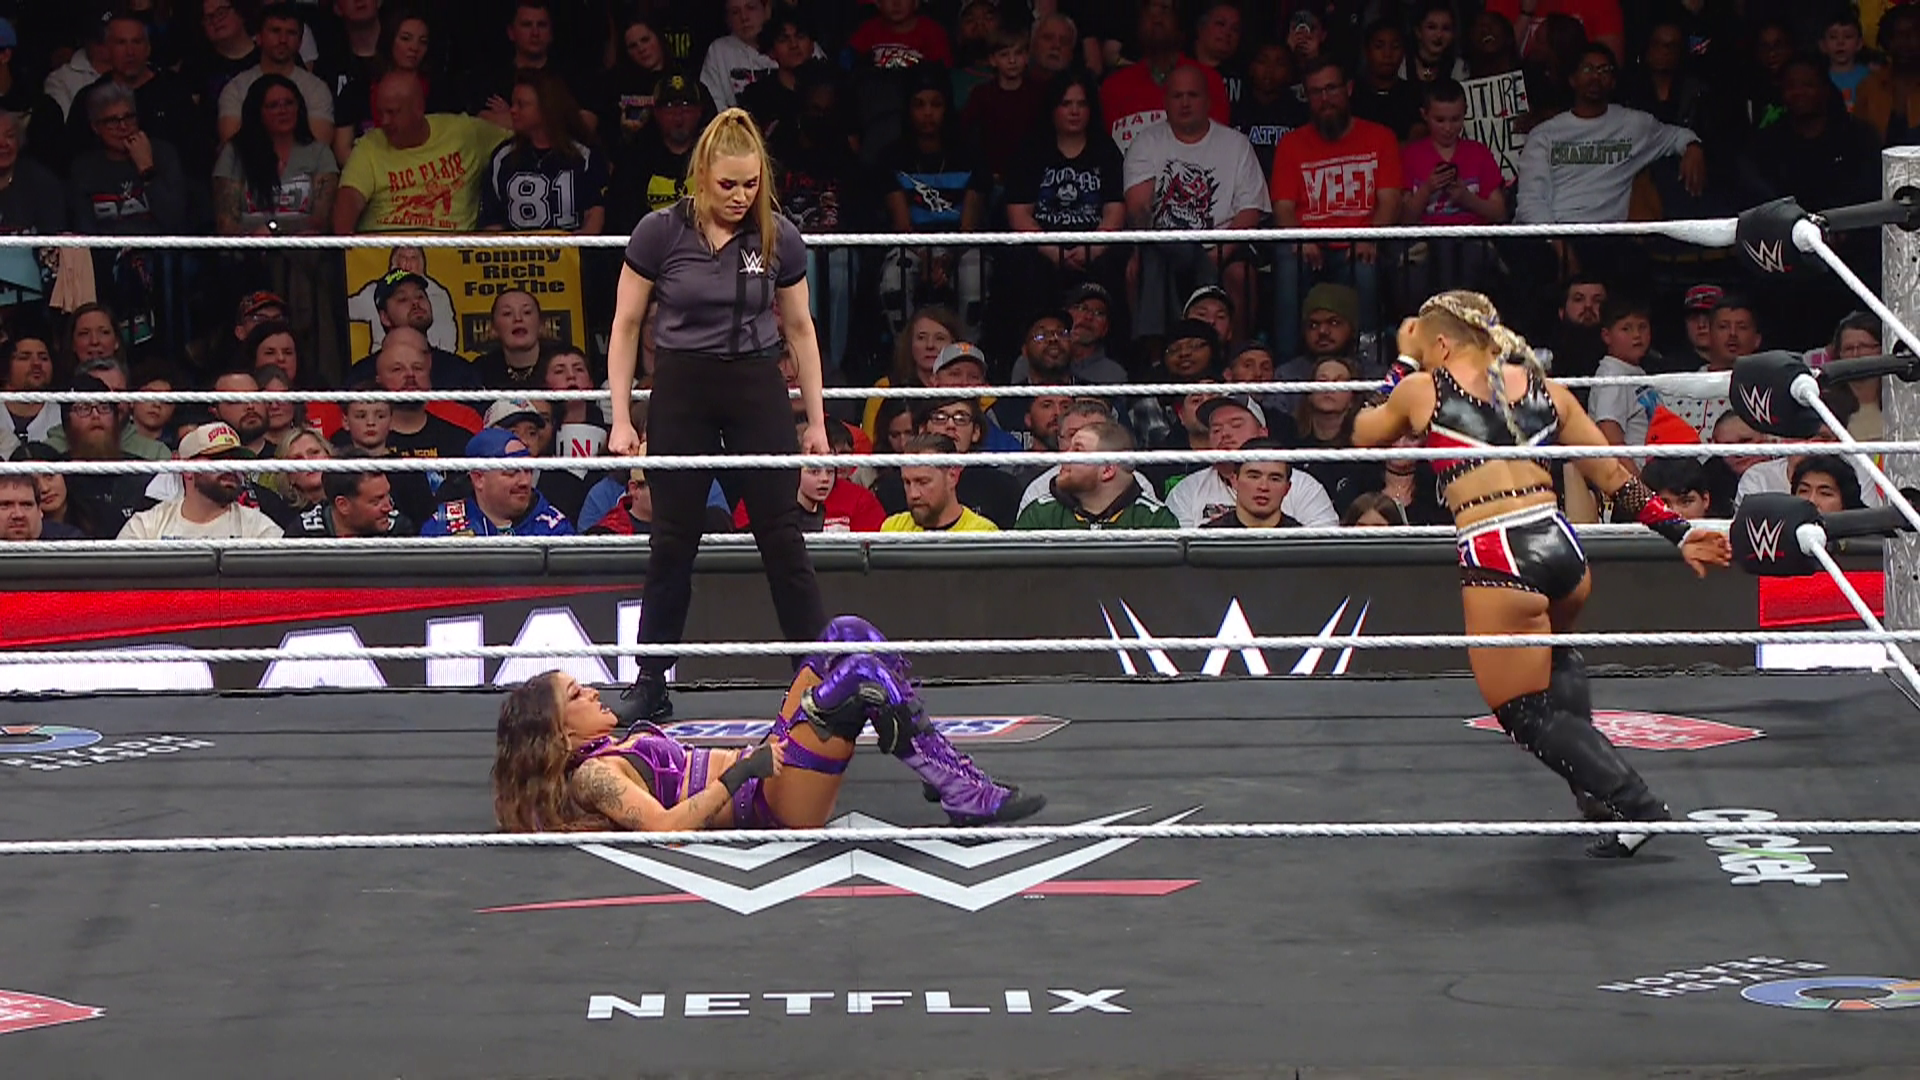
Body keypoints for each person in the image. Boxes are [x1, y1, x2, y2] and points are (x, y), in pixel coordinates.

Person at [1351, 290, 1731, 858]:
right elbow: (1611, 475)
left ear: (1442, 344)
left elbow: (1364, 431)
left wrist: (1403, 361)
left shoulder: (1424, 388)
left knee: (1522, 710)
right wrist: (1678, 532)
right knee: (1554, 659)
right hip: (1561, 546)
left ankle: (1636, 803)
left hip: (1500, 551)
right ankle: (1599, 798)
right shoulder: (1546, 389)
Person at [605, 107, 831, 725]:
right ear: (702, 174)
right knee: (673, 537)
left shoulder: (778, 235)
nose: (740, 196)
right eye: (728, 184)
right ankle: (651, 680)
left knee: (781, 533)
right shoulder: (659, 232)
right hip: (682, 385)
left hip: (756, 382)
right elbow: (626, 325)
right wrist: (621, 416)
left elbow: (801, 330)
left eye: (751, 184)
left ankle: (816, 679)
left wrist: (816, 422)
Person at [492, 616, 1044, 830]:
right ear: (560, 731)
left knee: (846, 634)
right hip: (769, 801)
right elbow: (664, 829)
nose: (592, 691)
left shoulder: (604, 753)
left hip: (764, 767)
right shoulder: (594, 776)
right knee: (862, 678)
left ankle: (940, 770)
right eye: (576, 695)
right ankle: (957, 788)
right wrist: (740, 774)